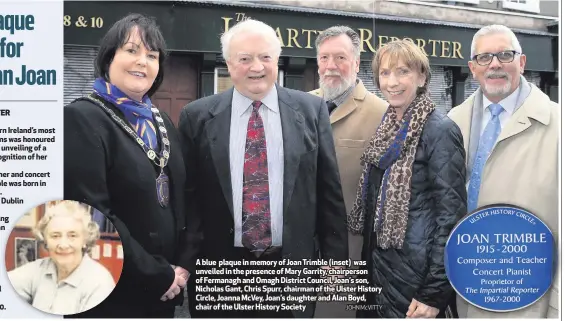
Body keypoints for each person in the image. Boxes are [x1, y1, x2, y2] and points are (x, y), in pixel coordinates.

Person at [178, 18, 348, 318]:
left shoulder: (311, 110)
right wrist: (184, 261)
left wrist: (335, 260)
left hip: (290, 270)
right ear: (229, 64)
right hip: (222, 272)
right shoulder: (197, 117)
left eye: (265, 57)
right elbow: (188, 198)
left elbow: (328, 189)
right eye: (245, 59)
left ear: (277, 60)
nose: (256, 67)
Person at [64, 13, 189, 318]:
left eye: (152, 55)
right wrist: (157, 274)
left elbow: (185, 196)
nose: (142, 61)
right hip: (112, 289)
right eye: (131, 51)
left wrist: (182, 266)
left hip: (164, 290)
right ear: (109, 58)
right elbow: (91, 214)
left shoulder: (162, 123)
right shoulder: (81, 118)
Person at [348, 39, 467, 318]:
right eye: (385, 73)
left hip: (416, 281)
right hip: (379, 274)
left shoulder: (440, 130)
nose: (393, 82)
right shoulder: (387, 127)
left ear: (422, 76)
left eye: (403, 72)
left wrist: (434, 294)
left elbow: (451, 218)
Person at [448, 25, 559, 318]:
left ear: (521, 63)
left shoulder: (558, 126)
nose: (494, 64)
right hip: (465, 287)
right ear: (472, 68)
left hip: (530, 298)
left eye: (505, 55)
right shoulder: (452, 122)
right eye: (484, 57)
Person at [308, 25, 387, 318]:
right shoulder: (299, 105)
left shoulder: (381, 113)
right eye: (324, 57)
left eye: (340, 58)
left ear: (356, 63)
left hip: (350, 255)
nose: (331, 66)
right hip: (300, 252)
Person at [8, 201, 116, 315]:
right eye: (55, 236)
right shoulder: (39, 269)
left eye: (72, 235)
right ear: (45, 241)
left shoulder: (100, 283)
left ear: (84, 240)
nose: (63, 244)